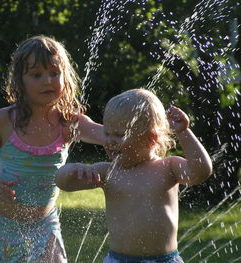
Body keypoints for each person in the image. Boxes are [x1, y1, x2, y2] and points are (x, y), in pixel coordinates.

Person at [0, 35, 105, 263]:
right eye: (37, 75)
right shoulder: (4, 120)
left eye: (54, 73)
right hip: (1, 224)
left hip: (44, 223)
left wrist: (134, 126)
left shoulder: (69, 122)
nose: (47, 81)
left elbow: (105, 134)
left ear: (65, 77)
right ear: (20, 81)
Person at [56, 89, 213, 263]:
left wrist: (184, 132)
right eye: (107, 133)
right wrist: (75, 169)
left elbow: (200, 172)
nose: (109, 141)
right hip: (119, 259)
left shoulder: (168, 167)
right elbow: (63, 182)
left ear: (151, 139)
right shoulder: (109, 171)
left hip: (164, 260)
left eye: (119, 135)